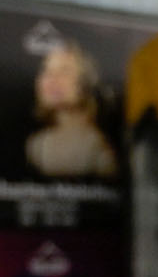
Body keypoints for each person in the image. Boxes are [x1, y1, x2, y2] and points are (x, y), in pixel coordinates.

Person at [29, 42, 117, 179]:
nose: (51, 79)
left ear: (86, 81)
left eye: (65, 70)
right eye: (47, 70)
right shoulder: (37, 145)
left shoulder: (102, 149)